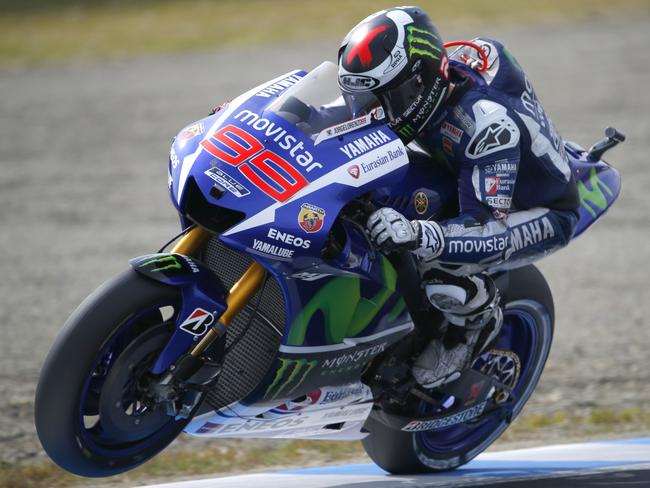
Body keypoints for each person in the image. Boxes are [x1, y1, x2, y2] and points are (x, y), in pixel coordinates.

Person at [337, 6, 579, 388]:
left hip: (537, 208)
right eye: (366, 98)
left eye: (386, 98)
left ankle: (473, 326)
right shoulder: (435, 78)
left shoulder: (485, 128)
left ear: (421, 82)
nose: (373, 112)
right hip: (465, 167)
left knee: (440, 270)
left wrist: (419, 235)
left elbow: (485, 230)